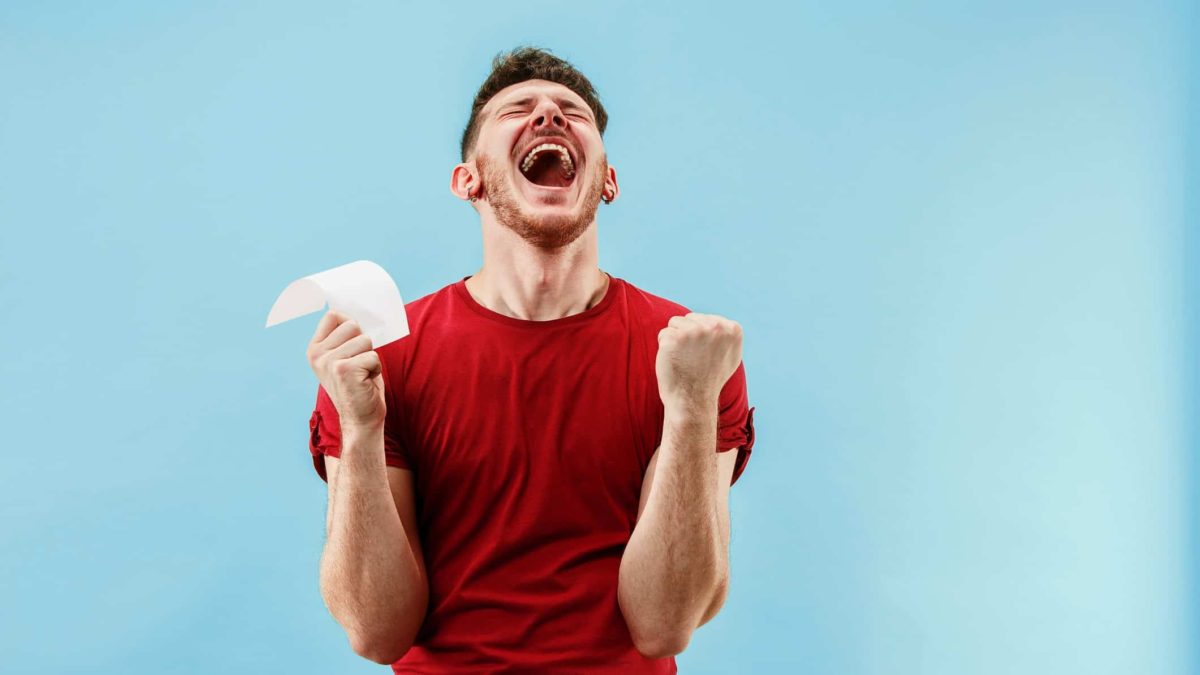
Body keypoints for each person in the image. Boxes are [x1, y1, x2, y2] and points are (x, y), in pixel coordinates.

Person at [305, 46, 757, 674]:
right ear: (470, 180)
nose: (549, 115)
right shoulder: (380, 357)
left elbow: (663, 625)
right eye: (519, 109)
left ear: (608, 181)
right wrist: (359, 429)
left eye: (572, 113)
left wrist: (689, 408)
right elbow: (376, 633)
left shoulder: (690, 353)